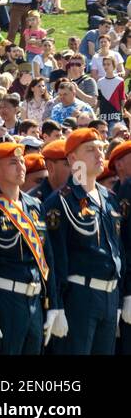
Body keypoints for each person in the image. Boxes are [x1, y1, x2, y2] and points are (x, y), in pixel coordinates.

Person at [0, 142, 58, 355]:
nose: (21, 167)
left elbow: (48, 258)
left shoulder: (35, 206)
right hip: (6, 300)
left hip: (34, 298)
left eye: (21, 161)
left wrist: (53, 303)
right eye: (12, 163)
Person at [42, 128, 126, 355]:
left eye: (101, 149)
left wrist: (121, 298)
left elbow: (119, 250)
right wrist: (56, 306)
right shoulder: (61, 202)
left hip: (110, 295)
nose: (99, 155)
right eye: (90, 150)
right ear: (72, 159)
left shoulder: (109, 197)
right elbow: (55, 260)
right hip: (79, 296)